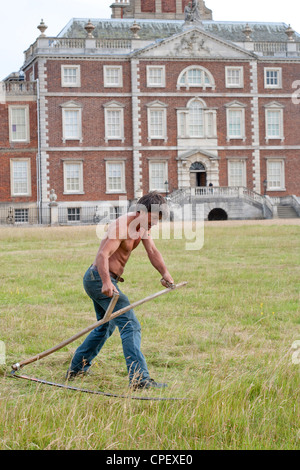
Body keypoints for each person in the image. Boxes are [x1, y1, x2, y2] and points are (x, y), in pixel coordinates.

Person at [66, 191, 174, 390]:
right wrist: (107, 282)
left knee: (105, 326)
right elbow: (102, 255)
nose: (155, 224)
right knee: (130, 325)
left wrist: (165, 273)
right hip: (98, 278)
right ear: (141, 212)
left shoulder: (141, 227)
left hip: (104, 279)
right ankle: (139, 380)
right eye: (153, 219)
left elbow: (152, 251)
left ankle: (76, 368)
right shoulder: (121, 226)